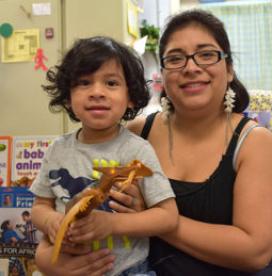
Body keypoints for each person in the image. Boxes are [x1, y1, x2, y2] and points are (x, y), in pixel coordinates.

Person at [33, 9, 272, 276]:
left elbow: (254, 252)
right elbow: (64, 209)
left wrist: (150, 219)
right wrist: (48, 259)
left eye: (206, 55)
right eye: (175, 58)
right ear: (163, 75)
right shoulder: (132, 134)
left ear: (229, 69)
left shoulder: (253, 141)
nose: (191, 67)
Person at [29, 36, 178, 276]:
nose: (97, 92)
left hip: (129, 270)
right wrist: (50, 222)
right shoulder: (58, 149)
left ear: (130, 97)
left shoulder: (136, 150)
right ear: (68, 96)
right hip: (67, 265)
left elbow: (167, 217)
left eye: (111, 83)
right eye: (84, 83)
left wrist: (111, 224)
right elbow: (40, 206)